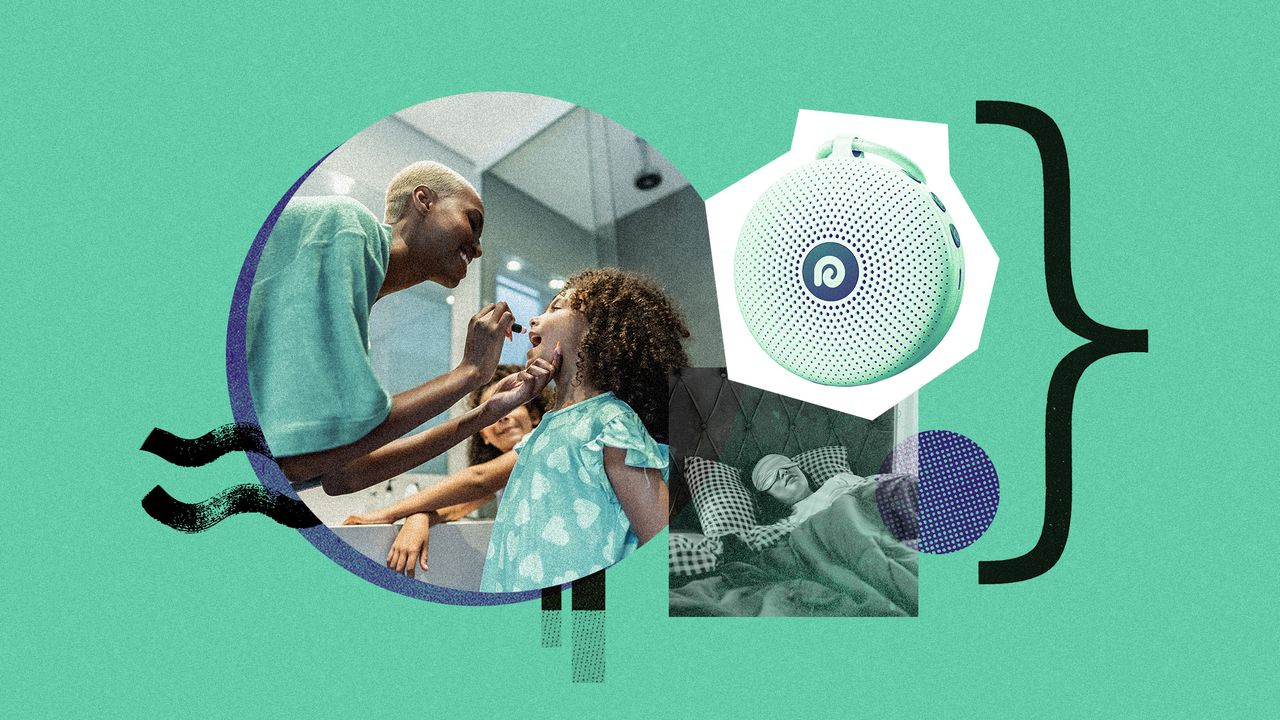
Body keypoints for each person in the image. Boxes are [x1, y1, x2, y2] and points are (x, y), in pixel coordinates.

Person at [245, 161, 555, 496]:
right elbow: (300, 458)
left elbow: (340, 474)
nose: (478, 250)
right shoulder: (347, 224)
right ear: (423, 200)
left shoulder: (351, 307)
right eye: (472, 221)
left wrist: (485, 412)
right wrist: (470, 372)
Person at [481, 268, 690, 592]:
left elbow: (662, 540)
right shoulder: (539, 435)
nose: (534, 320)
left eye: (556, 307)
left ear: (596, 330)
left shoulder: (609, 424)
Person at [341, 365, 553, 577]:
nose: (502, 418)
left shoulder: (540, 440)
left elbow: (478, 479)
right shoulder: (504, 479)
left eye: (511, 406)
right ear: (485, 437)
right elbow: (454, 506)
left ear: (534, 416)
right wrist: (419, 517)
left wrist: (389, 513)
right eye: (493, 415)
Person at [750, 454, 871, 527]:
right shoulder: (787, 524)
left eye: (785, 464)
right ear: (767, 496)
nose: (783, 472)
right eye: (770, 476)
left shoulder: (839, 479)